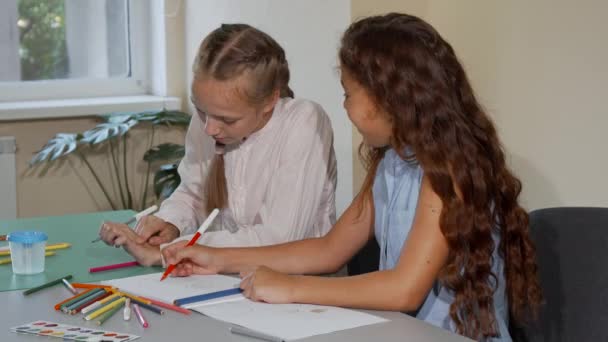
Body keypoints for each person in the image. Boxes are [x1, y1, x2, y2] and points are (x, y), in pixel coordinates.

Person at [160, 13, 543, 341]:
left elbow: (404, 290)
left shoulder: (449, 172)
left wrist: (291, 287)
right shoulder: (392, 161)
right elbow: (329, 250)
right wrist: (217, 258)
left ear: (389, 98)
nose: (343, 106)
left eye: (348, 94)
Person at [99, 23, 337, 266]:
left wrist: (176, 250)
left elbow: (280, 239)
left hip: (301, 287)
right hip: (223, 280)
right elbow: (193, 194)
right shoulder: (210, 119)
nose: (209, 129)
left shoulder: (304, 122)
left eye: (227, 119)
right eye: (200, 110)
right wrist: (171, 223)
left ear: (269, 100)